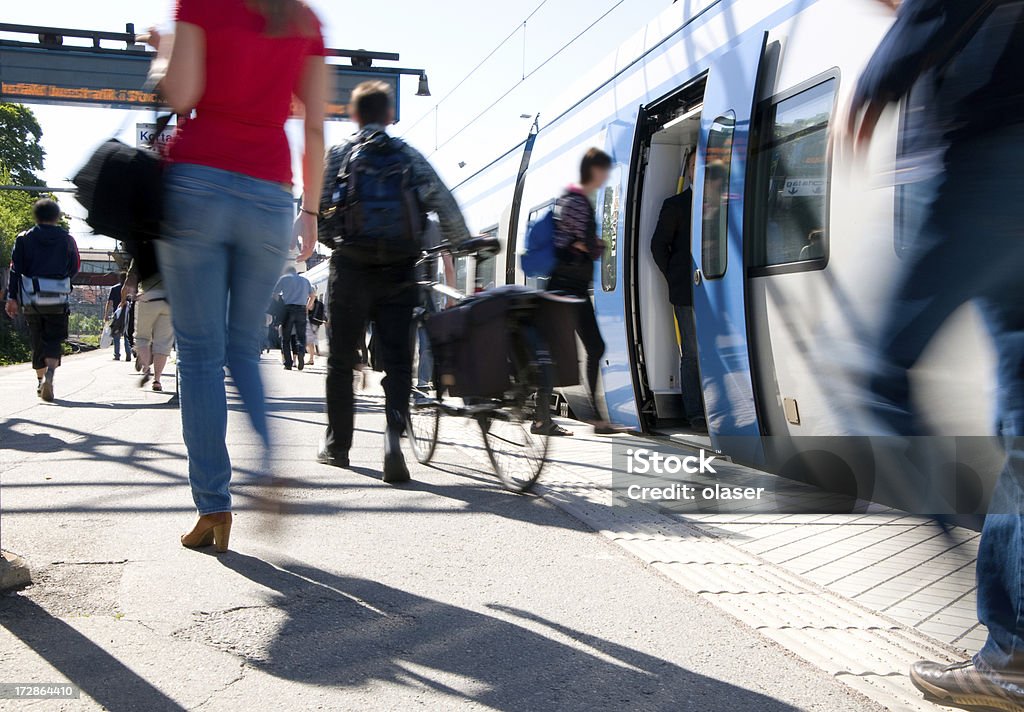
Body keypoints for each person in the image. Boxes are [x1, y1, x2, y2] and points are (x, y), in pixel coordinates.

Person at [849, 0, 1024, 707]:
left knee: (885, 367)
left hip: (993, 156)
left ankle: (931, 519)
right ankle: (1011, 655)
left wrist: (882, 77)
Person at [145, 0, 326, 553]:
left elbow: (180, 94)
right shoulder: (302, 19)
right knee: (243, 350)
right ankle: (269, 462)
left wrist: (164, 52)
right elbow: (315, 127)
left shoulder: (200, 3)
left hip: (198, 180)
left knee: (200, 354)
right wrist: (311, 212)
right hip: (270, 192)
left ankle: (214, 506)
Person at [318, 80, 470, 482]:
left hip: (349, 269)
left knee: (339, 362)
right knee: (400, 365)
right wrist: (464, 241)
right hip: (400, 272)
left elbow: (319, 212)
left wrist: (335, 241)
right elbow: (442, 201)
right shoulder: (408, 155)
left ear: (354, 115)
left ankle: (337, 447)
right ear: (389, 116)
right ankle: (392, 445)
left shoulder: (339, 153)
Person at [536, 148, 614, 436]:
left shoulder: (571, 199)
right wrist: (595, 245)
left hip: (569, 288)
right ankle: (594, 420)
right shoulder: (578, 202)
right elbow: (586, 245)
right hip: (568, 289)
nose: (606, 176)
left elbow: (579, 242)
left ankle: (585, 418)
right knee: (590, 348)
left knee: (571, 351)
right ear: (594, 170)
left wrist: (587, 245)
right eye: (604, 170)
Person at [650, 151, 707, 434]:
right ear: (689, 169)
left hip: (718, 292)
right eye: (697, 163)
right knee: (693, 353)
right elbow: (658, 246)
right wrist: (675, 278)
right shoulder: (676, 205)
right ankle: (696, 413)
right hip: (687, 292)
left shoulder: (722, 203)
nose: (703, 167)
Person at [4, 199, 80, 402]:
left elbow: (14, 270)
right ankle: (50, 376)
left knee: (37, 339)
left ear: (35, 216)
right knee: (54, 339)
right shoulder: (67, 239)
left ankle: (39, 381)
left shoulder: (23, 238)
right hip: (57, 299)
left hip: (31, 298)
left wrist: (12, 297)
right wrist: (63, 280)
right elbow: (75, 267)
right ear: (56, 217)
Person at [122, 241, 172, 392]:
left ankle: (146, 368)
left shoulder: (142, 252)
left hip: (148, 297)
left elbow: (129, 283)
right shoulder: (173, 249)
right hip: (170, 300)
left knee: (142, 338)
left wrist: (123, 300)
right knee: (163, 344)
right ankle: (157, 380)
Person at [273, 265, 314, 371]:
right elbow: (312, 295)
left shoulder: (284, 278)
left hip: (288, 309)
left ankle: (288, 363)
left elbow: (275, 294)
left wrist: (279, 304)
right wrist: (308, 306)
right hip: (301, 310)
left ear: (286, 272)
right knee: (301, 337)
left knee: (286, 338)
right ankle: (301, 354)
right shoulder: (305, 280)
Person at [104, 273, 132, 361]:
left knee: (116, 334)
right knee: (127, 334)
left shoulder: (114, 288)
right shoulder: (130, 289)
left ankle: (117, 355)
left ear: (119, 279)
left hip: (117, 314)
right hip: (128, 314)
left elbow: (109, 303)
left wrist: (106, 315)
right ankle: (128, 354)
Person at [306, 293, 326, 366]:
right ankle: (315, 353)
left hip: (311, 322)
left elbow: (309, 308)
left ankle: (311, 359)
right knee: (314, 338)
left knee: (309, 341)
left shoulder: (311, 301)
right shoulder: (320, 303)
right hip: (317, 323)